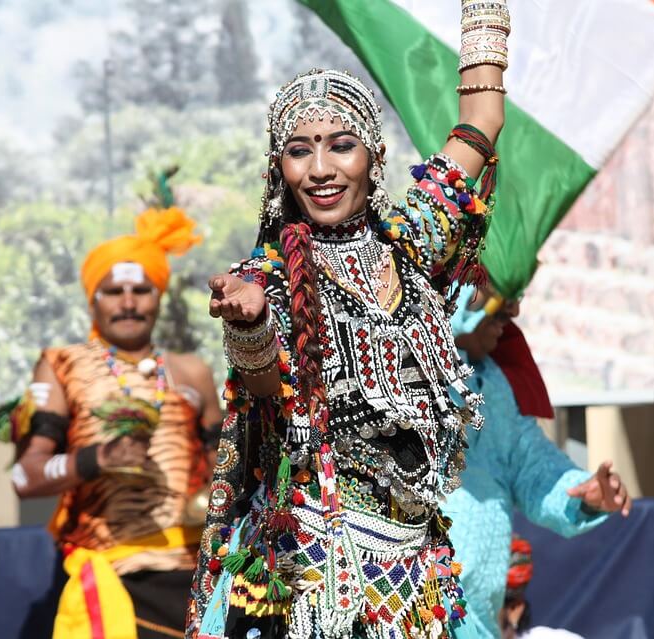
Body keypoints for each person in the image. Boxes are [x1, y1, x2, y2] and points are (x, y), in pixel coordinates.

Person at [187, 3, 511, 637]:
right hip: (310, 571)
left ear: (374, 154)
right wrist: (248, 328)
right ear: (279, 170)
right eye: (300, 151)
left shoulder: (413, 242)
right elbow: (266, 391)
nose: (321, 169)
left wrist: (485, 13)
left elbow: (483, 120)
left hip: (414, 570)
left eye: (341, 145)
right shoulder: (270, 275)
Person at [9, 203, 222, 639]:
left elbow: (227, 469)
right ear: (94, 299)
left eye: (141, 290)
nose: (128, 304)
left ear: (158, 296)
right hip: (112, 577)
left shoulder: (192, 371)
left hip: (198, 579)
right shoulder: (62, 365)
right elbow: (25, 475)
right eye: (113, 292)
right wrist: (96, 459)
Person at [444, 284, 632, 639]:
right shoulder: (412, 371)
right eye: (498, 310)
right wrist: (480, 287)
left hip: (479, 623)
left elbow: (532, 466)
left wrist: (585, 494)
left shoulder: (494, 385)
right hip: (405, 609)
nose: (509, 318)